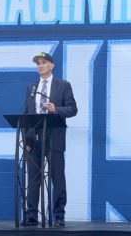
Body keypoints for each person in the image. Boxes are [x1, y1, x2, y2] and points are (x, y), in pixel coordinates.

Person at [24, 52, 77, 228]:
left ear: (52, 65)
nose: (40, 66)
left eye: (44, 62)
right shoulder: (32, 87)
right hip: (35, 139)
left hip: (54, 137)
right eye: (38, 63)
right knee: (32, 178)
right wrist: (27, 140)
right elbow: (26, 114)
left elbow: (72, 109)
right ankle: (31, 216)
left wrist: (57, 109)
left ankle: (59, 215)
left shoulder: (63, 85)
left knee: (57, 177)